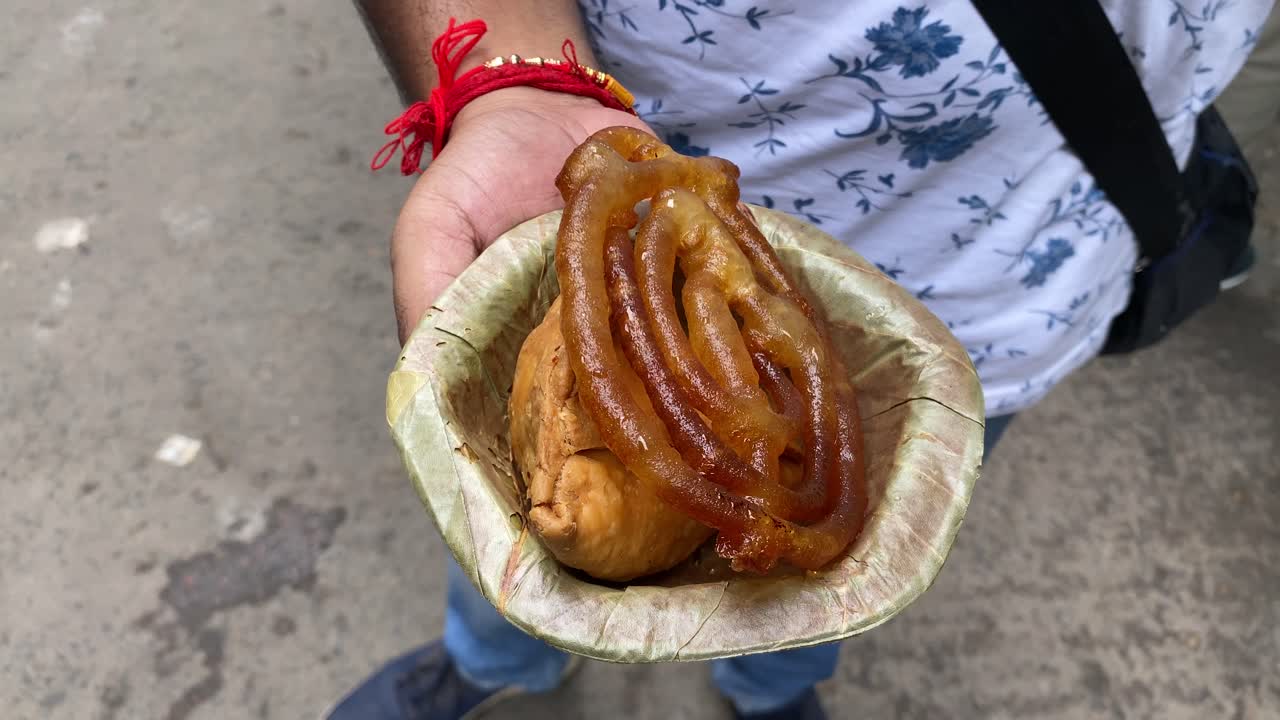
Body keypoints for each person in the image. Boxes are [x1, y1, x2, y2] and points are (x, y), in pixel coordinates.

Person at [331, 2, 1274, 718]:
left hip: (1025, 283)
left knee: (823, 578)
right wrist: (511, 72)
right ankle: (495, 660)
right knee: (514, 536)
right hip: (638, 183)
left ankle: (769, 688)